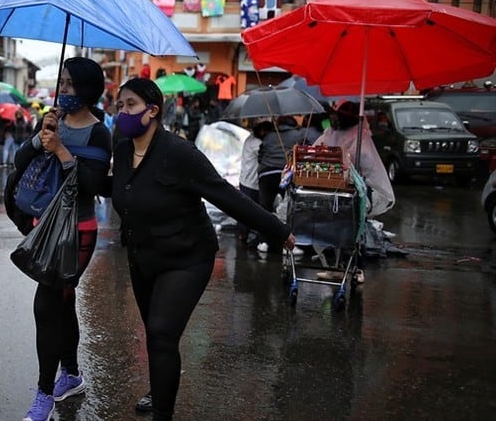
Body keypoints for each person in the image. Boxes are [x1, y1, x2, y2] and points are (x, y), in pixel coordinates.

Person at [108, 78, 295, 420]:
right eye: (120, 106)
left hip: (187, 257)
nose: (123, 113)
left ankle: (163, 413)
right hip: (143, 256)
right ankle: (160, 388)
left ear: (153, 110)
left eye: (131, 105)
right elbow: (116, 189)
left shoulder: (180, 153)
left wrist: (278, 230)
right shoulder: (122, 151)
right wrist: (61, 154)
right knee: (156, 335)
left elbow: (224, 195)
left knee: (162, 332)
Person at [16, 57, 112, 421]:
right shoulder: (53, 121)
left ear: (86, 88)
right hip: (45, 226)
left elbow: (92, 184)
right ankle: (70, 374)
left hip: (76, 231)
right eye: (62, 82)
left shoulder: (98, 133)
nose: (64, 89)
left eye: (70, 83)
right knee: (63, 301)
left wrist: (60, 150)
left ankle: (44, 394)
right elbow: (20, 162)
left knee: (46, 306)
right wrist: (41, 136)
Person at [313, 100, 395, 281]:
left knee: (355, 232)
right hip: (336, 189)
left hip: (356, 191)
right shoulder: (332, 132)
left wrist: (350, 161)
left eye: (336, 116)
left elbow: (367, 162)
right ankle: (336, 267)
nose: (333, 120)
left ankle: (357, 269)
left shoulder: (360, 136)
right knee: (335, 231)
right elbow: (319, 147)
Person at [256, 115, 306, 256]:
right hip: (286, 174)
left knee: (265, 208)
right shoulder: (298, 135)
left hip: (266, 174)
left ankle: (264, 242)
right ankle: (288, 244)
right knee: (288, 210)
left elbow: (260, 155)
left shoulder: (269, 136)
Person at [238, 120, 275, 248]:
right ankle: (247, 236)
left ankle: (244, 235)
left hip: (246, 180)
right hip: (251, 182)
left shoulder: (250, 139)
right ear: (262, 131)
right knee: (249, 211)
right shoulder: (256, 143)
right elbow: (265, 154)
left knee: (245, 210)